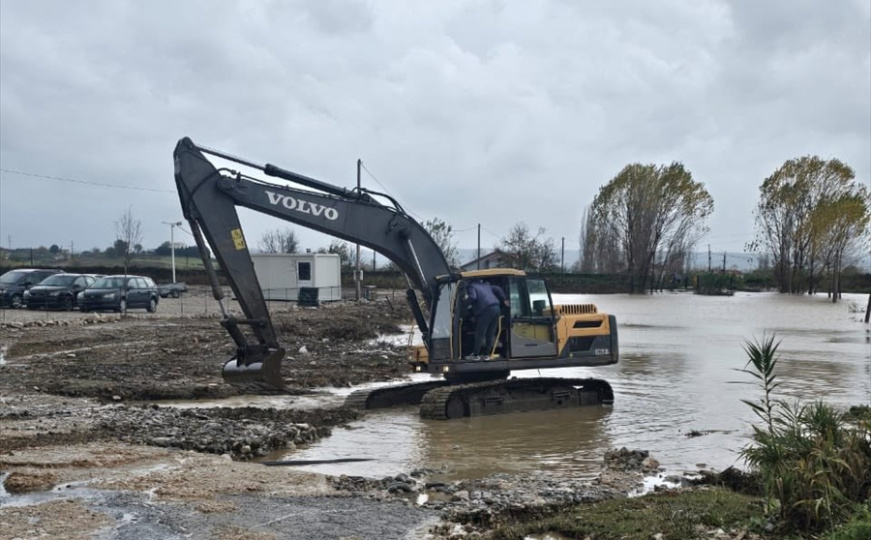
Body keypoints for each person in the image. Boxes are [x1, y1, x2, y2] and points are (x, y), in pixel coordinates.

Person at [464, 278, 508, 360]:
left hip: (486, 310)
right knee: (490, 333)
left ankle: (475, 355)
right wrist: (504, 298)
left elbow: (473, 297)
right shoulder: (486, 285)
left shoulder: (471, 286)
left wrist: (463, 304)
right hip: (496, 308)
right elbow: (498, 289)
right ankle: (487, 354)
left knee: (480, 333)